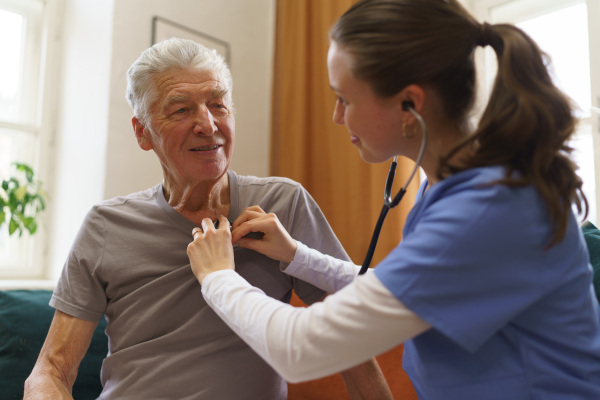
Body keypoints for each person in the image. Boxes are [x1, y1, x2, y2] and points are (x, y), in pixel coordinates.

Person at [186, 0, 600, 399]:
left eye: (344, 99)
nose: (336, 116)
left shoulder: (490, 210)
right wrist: (296, 254)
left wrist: (218, 276)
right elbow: (402, 288)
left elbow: (303, 349)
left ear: (409, 104)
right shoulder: (444, 186)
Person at [24, 38, 393, 399]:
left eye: (218, 105)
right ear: (143, 133)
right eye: (181, 109)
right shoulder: (105, 225)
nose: (208, 124)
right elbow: (51, 370)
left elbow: (351, 340)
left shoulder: (283, 203)